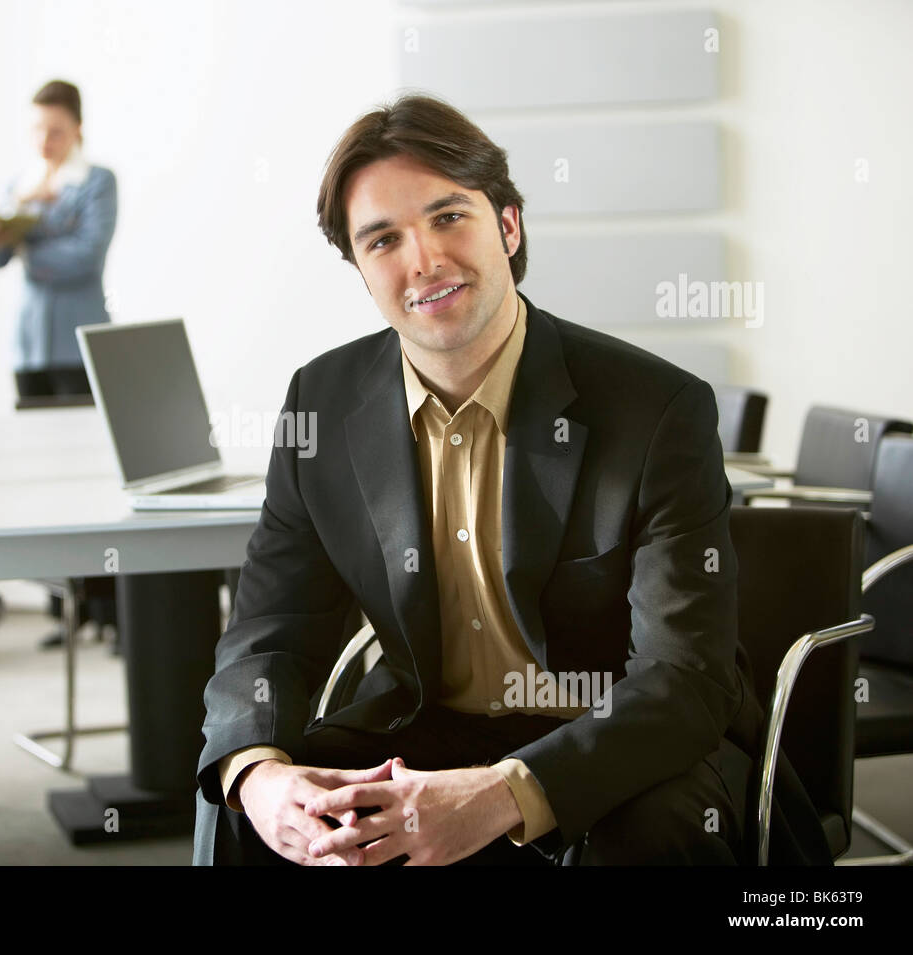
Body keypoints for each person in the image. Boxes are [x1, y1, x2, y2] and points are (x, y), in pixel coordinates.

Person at [193, 94, 832, 866]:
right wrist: (257, 774)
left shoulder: (658, 410)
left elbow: (681, 681)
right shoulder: (320, 404)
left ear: (508, 224)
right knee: (256, 816)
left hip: (627, 737)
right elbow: (269, 630)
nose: (423, 260)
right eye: (384, 239)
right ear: (362, 271)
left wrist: (500, 794)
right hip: (429, 722)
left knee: (642, 838)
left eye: (448, 217)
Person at [0, 79, 120, 643]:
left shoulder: (97, 181)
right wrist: (18, 215)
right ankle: (66, 610)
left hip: (80, 344)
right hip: (31, 348)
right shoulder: (17, 186)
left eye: (57, 130)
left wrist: (28, 241)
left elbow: (86, 256)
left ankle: (111, 612)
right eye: (37, 129)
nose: (45, 139)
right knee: (45, 477)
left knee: (95, 473)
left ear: (78, 130)